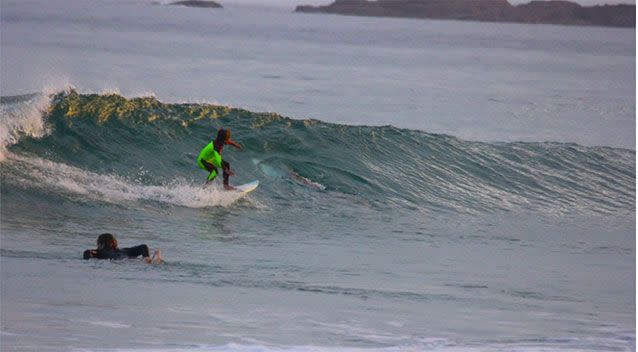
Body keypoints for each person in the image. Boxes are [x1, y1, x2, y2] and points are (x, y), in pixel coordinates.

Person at [83, 233, 161, 264]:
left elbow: (86, 252)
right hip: (128, 258)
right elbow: (143, 246)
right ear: (114, 243)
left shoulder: (99, 252)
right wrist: (146, 257)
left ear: (99, 243)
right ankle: (149, 259)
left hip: (119, 260)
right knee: (144, 261)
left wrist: (89, 259)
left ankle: (150, 260)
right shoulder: (125, 250)